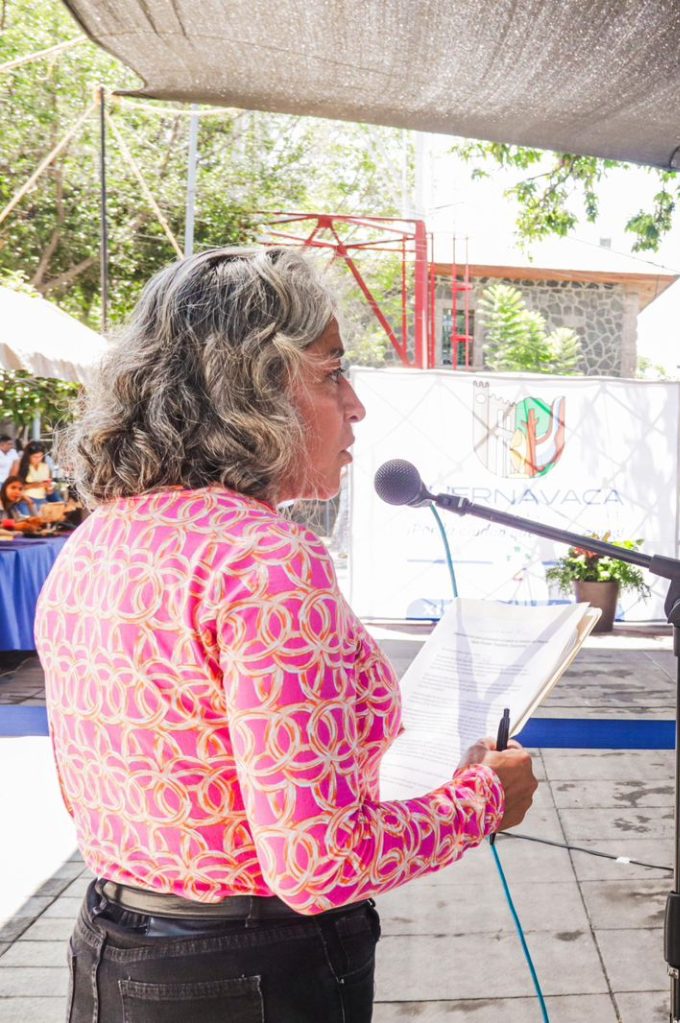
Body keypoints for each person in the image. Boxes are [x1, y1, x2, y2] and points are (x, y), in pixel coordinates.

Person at [35, 247, 538, 1022]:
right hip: (250, 973)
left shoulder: (100, 539)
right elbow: (320, 863)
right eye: (333, 371)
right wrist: (483, 800)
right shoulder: (266, 560)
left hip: (112, 946)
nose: (356, 405)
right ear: (256, 386)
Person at [17, 439, 64, 503]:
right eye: (35, 457)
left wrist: (49, 487)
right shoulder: (22, 466)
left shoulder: (45, 466)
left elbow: (49, 491)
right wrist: (36, 485)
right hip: (26, 499)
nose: (38, 459)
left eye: (40, 456)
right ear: (28, 456)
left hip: (42, 499)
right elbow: (17, 487)